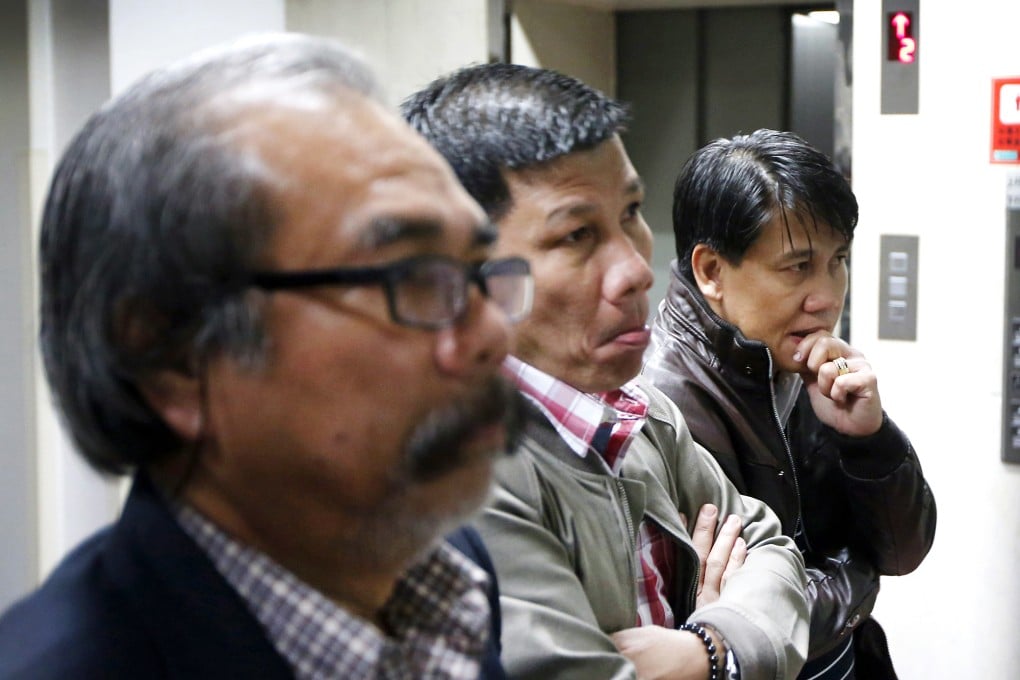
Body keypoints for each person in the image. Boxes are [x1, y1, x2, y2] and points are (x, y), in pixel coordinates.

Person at [0, 33, 536, 679]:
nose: (492, 335)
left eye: (481, 271)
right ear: (173, 356)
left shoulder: (446, 572)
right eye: (411, 276)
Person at [404, 64, 809, 680]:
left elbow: (772, 549)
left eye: (631, 212)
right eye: (576, 235)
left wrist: (708, 648)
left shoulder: (638, 413)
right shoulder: (462, 467)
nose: (637, 267)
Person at [642, 129, 937, 679]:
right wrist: (859, 576)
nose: (827, 296)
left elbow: (901, 550)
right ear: (711, 272)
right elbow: (752, 623)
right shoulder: (663, 402)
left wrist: (868, 438)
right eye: (797, 267)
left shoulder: (800, 363)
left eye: (838, 260)